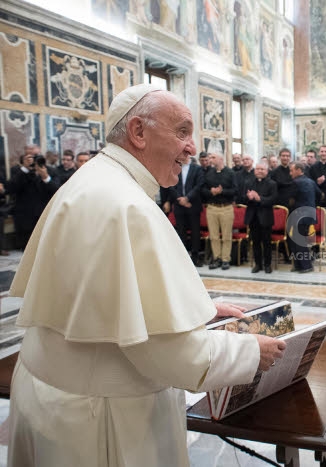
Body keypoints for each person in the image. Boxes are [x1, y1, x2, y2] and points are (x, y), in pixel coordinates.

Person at [7, 84, 286, 466]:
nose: (192, 148)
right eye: (182, 132)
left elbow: (110, 299)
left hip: (55, 399)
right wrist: (251, 351)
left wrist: (197, 311)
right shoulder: (126, 204)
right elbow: (171, 355)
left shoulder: (96, 181)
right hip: (99, 421)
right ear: (138, 132)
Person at [162, 153, 205, 267]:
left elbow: (199, 185)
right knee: (181, 232)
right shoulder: (175, 168)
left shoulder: (197, 169)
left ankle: (195, 257)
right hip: (179, 206)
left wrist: (187, 198)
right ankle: (183, 257)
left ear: (189, 157)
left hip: (192, 205)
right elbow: (170, 185)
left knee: (195, 232)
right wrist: (180, 199)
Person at [201, 152, 237, 270]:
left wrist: (222, 191)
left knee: (226, 235)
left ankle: (226, 259)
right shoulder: (208, 173)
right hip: (211, 208)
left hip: (226, 207)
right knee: (214, 236)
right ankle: (217, 258)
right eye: (210, 157)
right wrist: (211, 192)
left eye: (213, 157)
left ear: (221, 159)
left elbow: (235, 190)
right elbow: (202, 189)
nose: (210, 159)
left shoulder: (230, 173)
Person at [244, 162, 277, 273]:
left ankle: (267, 265)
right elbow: (242, 198)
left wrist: (259, 199)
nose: (260, 171)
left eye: (262, 169)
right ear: (254, 171)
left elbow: (273, 199)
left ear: (266, 171)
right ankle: (258, 264)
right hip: (253, 217)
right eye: (258, 169)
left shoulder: (272, 184)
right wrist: (248, 197)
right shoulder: (248, 182)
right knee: (256, 242)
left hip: (266, 217)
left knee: (267, 243)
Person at [289, 161, 320, 273]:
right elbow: (320, 194)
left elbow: (290, 199)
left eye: (292, 170)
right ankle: (299, 265)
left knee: (298, 241)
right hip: (309, 215)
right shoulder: (311, 181)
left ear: (298, 170)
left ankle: (306, 266)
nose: (290, 173)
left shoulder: (295, 182)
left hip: (299, 215)